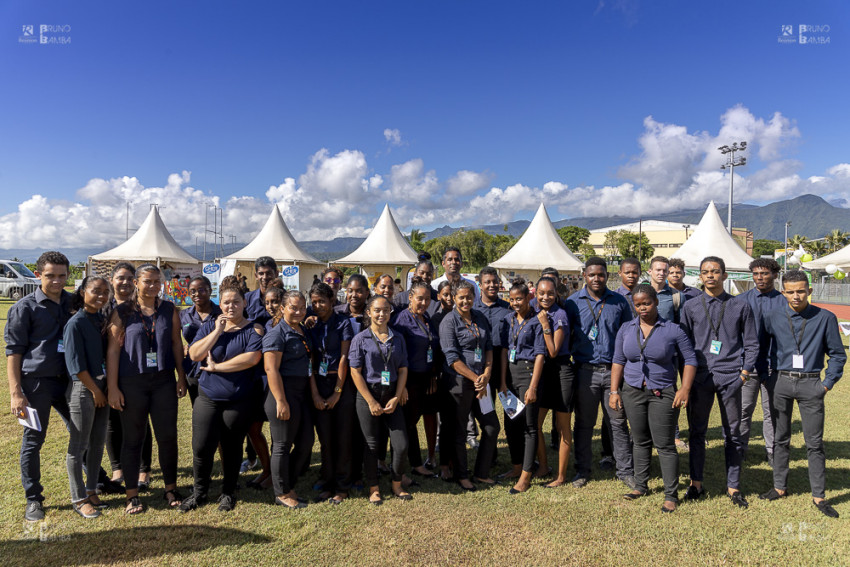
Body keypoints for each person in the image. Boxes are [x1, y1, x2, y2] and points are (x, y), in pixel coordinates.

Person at [758, 270, 845, 518]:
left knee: (814, 443)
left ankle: (819, 496)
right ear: (783, 291)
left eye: (800, 291)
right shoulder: (772, 315)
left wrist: (826, 384)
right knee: (780, 438)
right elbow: (762, 349)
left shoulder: (825, 318)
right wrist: (766, 377)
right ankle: (779, 487)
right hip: (781, 382)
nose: (796, 296)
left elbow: (838, 354)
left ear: (809, 291)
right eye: (790, 291)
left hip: (811, 385)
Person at [106, 264, 188, 514]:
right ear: (136, 283)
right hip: (132, 383)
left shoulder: (169, 309)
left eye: (157, 281)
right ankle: (132, 495)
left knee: (167, 437)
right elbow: (113, 350)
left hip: (163, 381)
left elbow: (176, 343)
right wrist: (112, 387)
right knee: (133, 439)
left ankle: (170, 488)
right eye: (147, 281)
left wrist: (181, 376)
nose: (152, 286)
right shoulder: (122, 312)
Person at [610, 284, 697, 513]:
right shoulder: (626, 329)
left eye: (646, 303)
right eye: (638, 305)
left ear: (656, 302)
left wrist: (684, 389)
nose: (642, 308)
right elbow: (618, 360)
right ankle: (640, 485)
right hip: (632, 391)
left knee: (665, 444)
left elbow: (690, 360)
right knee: (639, 441)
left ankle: (671, 494)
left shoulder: (673, 330)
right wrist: (614, 391)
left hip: (663, 392)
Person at [679, 256, 758, 508]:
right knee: (697, 432)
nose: (710, 275)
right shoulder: (690, 307)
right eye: (705, 272)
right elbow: (684, 344)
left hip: (731, 376)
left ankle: (733, 487)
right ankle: (696, 484)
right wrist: (687, 379)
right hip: (701, 377)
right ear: (700, 277)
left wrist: (744, 374)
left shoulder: (740, 306)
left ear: (724, 275)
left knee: (732, 434)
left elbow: (752, 344)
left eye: (715, 271)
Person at [180, 282, 264, 512]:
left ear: (244, 303)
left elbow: (251, 359)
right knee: (201, 446)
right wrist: (217, 331)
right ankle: (199, 492)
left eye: (236, 302)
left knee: (231, 445)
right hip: (207, 396)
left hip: (238, 399)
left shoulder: (254, 329)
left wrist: (217, 367)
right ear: (221, 304)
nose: (231, 306)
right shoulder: (210, 326)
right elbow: (196, 354)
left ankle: (228, 492)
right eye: (226, 302)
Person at [6, 252, 73, 522]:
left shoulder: (73, 303)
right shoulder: (24, 308)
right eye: (50, 275)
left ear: (68, 275)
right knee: (34, 441)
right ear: (38, 275)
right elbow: (14, 352)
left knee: (83, 432)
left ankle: (96, 482)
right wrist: (16, 393)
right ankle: (33, 498)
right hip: (36, 384)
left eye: (61, 275)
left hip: (69, 381)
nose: (56, 281)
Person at [566, 257, 636, 490]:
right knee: (584, 424)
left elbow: (628, 335)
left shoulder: (619, 302)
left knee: (617, 422)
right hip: (585, 372)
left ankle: (625, 470)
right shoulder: (572, 303)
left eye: (601, 274)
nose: (597, 278)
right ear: (584, 275)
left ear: (608, 275)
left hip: (613, 372)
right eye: (592, 274)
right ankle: (582, 470)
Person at [349, 295, 413, 505]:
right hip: (369, 395)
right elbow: (355, 372)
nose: (381, 314)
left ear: (390, 313)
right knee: (372, 445)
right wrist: (370, 401)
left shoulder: (398, 338)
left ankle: (396, 484)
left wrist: (397, 396)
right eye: (376, 310)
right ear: (368, 312)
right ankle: (374, 488)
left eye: (385, 310)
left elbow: (403, 369)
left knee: (401, 443)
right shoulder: (360, 339)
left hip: (392, 395)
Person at [439, 280, 499, 491]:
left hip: (482, 383)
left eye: (469, 296)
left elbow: (489, 347)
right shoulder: (448, 322)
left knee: (492, 427)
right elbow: (452, 359)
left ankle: (481, 473)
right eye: (461, 297)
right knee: (459, 431)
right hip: (459, 384)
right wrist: (476, 379)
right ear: (454, 298)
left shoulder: (480, 317)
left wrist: (487, 373)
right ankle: (462, 475)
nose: (466, 301)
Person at [63, 275, 112, 518]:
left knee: (97, 443)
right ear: (82, 292)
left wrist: (103, 390)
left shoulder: (100, 319)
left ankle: (92, 489)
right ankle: (79, 497)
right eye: (96, 291)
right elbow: (76, 366)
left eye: (105, 292)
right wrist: (95, 391)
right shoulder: (76, 323)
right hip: (85, 390)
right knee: (78, 446)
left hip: (102, 389)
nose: (101, 296)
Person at [263, 290, 313, 509]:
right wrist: (281, 401)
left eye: (302, 307)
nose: (299, 311)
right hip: (283, 393)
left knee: (306, 442)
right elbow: (270, 369)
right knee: (282, 445)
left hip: (302, 394)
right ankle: (282, 492)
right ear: (283, 308)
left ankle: (288, 483)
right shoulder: (277, 333)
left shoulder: (301, 330)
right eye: (293, 307)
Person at [734, 258, 785, 468]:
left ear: (774, 275)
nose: (760, 277)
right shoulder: (741, 300)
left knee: (772, 411)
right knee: (743, 410)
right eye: (756, 274)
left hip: (775, 365)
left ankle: (772, 451)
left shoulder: (784, 301)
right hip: (748, 366)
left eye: (764, 273)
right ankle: (740, 449)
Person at [307, 282, 355, 504]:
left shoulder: (343, 323)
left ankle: (343, 485)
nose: (318, 306)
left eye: (322, 301)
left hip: (341, 383)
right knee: (325, 438)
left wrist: (337, 392)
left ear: (332, 301)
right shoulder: (311, 325)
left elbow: (345, 358)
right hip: (319, 382)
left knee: (343, 437)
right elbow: (310, 361)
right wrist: (316, 394)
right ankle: (327, 480)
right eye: (314, 302)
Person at [500, 280, 545, 494]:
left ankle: (527, 474)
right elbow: (503, 351)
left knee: (529, 426)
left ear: (528, 298)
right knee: (511, 424)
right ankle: (517, 466)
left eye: (520, 298)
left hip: (528, 376)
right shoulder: (508, 319)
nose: (516, 303)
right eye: (512, 299)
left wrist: (533, 386)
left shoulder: (536, 321)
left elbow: (539, 356)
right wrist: (501, 382)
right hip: (509, 376)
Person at [394, 278, 440, 478]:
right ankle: (404, 467)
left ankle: (415, 463)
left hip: (425, 379)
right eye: (419, 299)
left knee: (413, 423)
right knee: (407, 424)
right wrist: (401, 386)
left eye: (427, 299)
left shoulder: (426, 318)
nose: (423, 303)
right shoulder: (401, 321)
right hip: (409, 380)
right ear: (410, 298)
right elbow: (396, 355)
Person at [102, 262, 143, 492]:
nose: (125, 282)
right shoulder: (101, 304)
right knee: (112, 422)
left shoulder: (141, 306)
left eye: (130, 278)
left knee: (138, 420)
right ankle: (117, 467)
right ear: (112, 279)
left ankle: (143, 468)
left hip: (133, 372)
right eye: (121, 278)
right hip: (105, 370)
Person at [534, 276, 575, 488]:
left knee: (563, 428)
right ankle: (543, 466)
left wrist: (544, 324)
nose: (546, 297)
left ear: (556, 294)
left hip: (561, 372)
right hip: (543, 374)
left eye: (550, 293)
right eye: (541, 293)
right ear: (535, 293)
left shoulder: (560, 315)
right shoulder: (535, 311)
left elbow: (552, 351)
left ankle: (560, 476)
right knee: (536, 425)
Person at [472, 267, 511, 456]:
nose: (492, 285)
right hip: (482, 366)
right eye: (487, 282)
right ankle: (491, 455)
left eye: (495, 281)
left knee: (511, 411)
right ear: (480, 285)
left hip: (504, 365)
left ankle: (516, 455)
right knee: (487, 411)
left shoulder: (507, 308)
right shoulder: (472, 309)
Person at [180, 276, 223, 405]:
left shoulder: (221, 313)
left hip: (217, 367)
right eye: (193, 291)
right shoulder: (183, 315)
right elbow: (174, 341)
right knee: (199, 409)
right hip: (193, 369)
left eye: (201, 290)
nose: (197, 294)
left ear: (210, 291)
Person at [647, 256, 684, 323]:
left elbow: (682, 324)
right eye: (658, 270)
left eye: (664, 271)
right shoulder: (640, 293)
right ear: (650, 271)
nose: (661, 273)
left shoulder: (677, 296)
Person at [245, 256, 278, 327]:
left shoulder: (286, 298)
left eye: (269, 273)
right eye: (261, 274)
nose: (265, 277)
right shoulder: (247, 298)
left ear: (276, 274)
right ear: (256, 276)